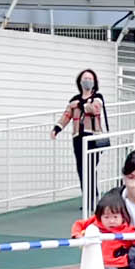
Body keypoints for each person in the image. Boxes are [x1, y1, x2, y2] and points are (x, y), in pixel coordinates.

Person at [53, 69, 111, 212]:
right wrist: (57, 129)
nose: (87, 81)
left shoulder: (98, 97)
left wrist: (80, 105)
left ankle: (94, 199)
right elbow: (67, 115)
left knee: (90, 167)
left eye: (90, 78)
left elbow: (94, 109)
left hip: (93, 138)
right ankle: (87, 198)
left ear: (94, 82)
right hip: (78, 138)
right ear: (80, 81)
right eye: (85, 78)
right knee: (81, 169)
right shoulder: (74, 99)